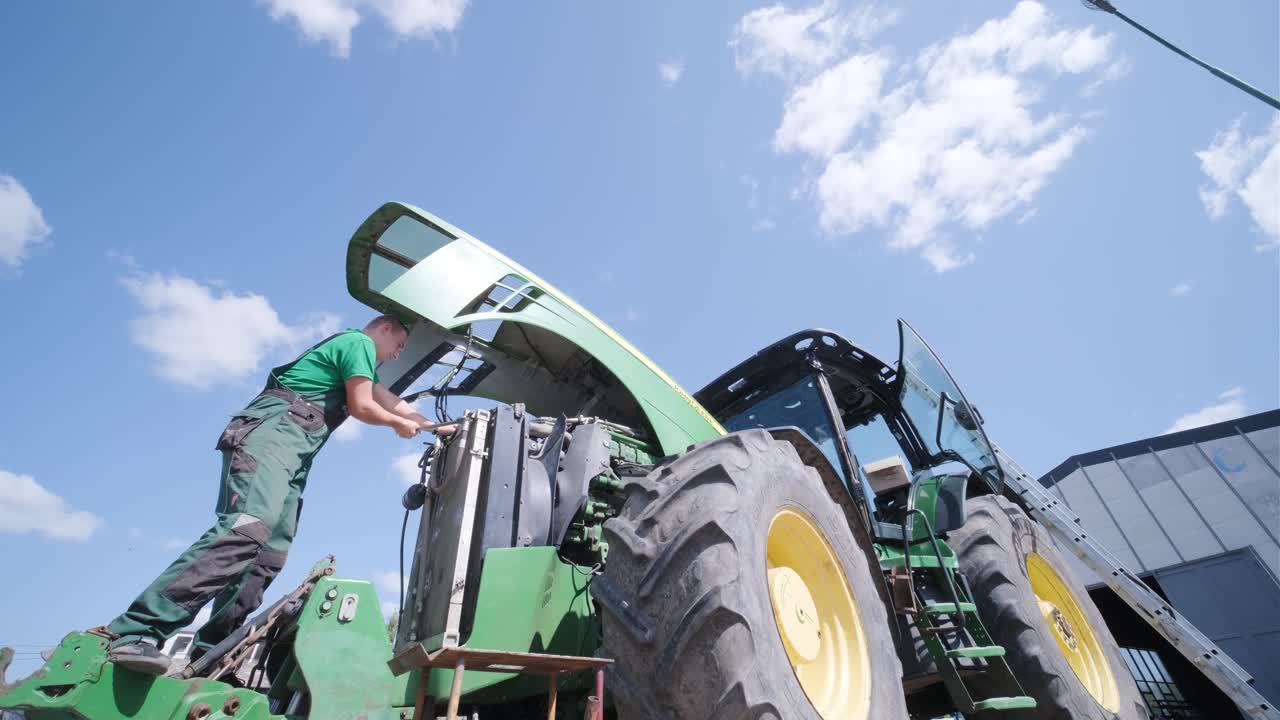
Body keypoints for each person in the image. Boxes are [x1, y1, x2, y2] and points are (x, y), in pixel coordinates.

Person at [102, 314, 451, 674]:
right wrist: (398, 425)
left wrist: (437, 427)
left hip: (295, 452)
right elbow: (364, 406)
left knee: (267, 556)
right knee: (247, 528)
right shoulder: (357, 343)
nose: (398, 354)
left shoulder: (363, 359)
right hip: (274, 434)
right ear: (384, 328)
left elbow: (391, 401)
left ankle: (209, 657)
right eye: (399, 345)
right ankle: (136, 630)